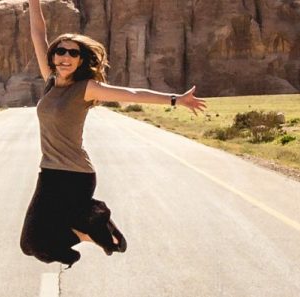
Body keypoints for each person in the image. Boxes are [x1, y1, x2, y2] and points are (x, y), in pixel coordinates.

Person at [19, 0, 207, 267]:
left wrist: (176, 99)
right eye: (60, 51)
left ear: (81, 60)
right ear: (53, 55)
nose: (65, 57)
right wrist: (34, 2)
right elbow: (38, 33)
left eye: (73, 53)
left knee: (38, 242)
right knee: (30, 245)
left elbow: (131, 94)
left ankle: (96, 221)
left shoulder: (86, 87)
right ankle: (91, 229)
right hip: (49, 173)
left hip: (75, 176)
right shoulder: (50, 81)